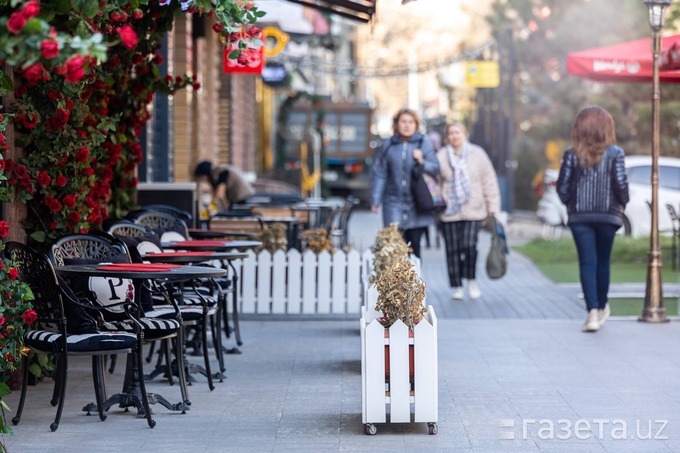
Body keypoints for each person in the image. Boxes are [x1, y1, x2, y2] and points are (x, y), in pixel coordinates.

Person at [557, 105, 629, 333]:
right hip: (609, 216)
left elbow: (562, 187)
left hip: (580, 216)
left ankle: (592, 313)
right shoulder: (616, 153)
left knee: (587, 262)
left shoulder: (572, 154)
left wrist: (572, 205)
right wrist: (621, 204)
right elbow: (621, 185)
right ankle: (601, 306)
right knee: (602, 262)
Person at [437, 122, 500, 301]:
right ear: (447, 137)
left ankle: (471, 280)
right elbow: (435, 182)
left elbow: (489, 180)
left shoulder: (477, 154)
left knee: (470, 246)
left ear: (464, 134)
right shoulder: (441, 156)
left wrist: (492, 207)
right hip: (449, 211)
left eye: (457, 132)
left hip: (474, 208)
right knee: (452, 249)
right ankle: (457, 285)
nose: (454, 136)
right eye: (451, 133)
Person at [370, 108, 440, 258]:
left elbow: (435, 167)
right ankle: (397, 281)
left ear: (416, 125)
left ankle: (414, 280)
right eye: (403, 121)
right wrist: (375, 200)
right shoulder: (388, 145)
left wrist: (422, 161)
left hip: (417, 202)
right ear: (396, 124)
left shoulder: (424, 143)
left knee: (414, 247)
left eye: (410, 122)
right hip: (393, 202)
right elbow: (380, 173)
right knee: (394, 247)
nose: (407, 125)